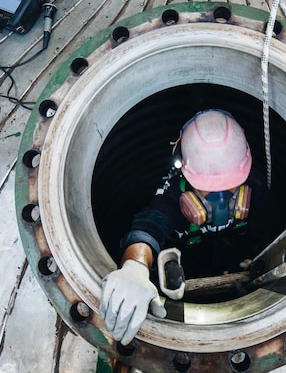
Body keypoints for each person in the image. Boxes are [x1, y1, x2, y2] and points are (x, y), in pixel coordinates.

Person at [99, 109, 273, 345]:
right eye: (207, 187)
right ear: (186, 174)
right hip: (188, 262)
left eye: (230, 185)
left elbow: (268, 228)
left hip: (235, 254)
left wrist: (258, 261)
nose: (221, 199)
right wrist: (135, 267)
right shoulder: (172, 192)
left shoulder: (255, 184)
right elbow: (149, 225)